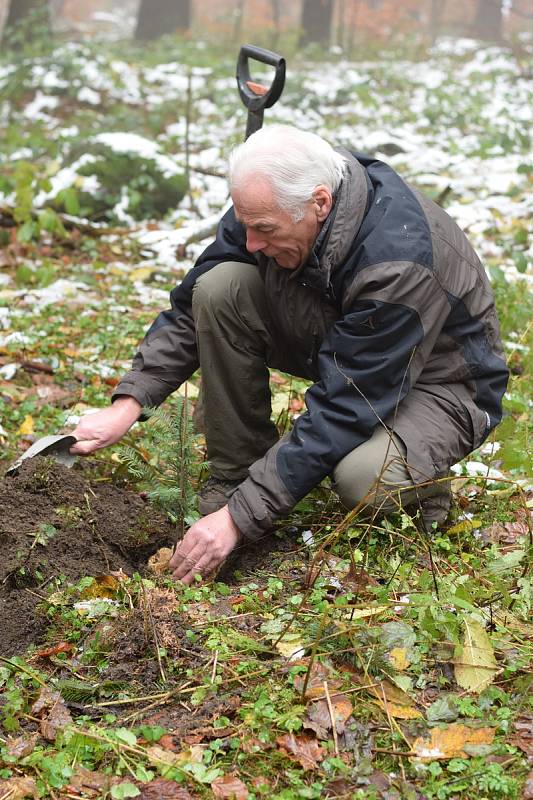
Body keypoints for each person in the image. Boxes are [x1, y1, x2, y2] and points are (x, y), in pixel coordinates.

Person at [71, 125, 509, 584]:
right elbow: (188, 308)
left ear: (320, 203)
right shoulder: (272, 201)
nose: (252, 242)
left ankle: (423, 491)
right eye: (246, 226)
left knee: (364, 479)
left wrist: (238, 520)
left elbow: (344, 406)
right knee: (220, 288)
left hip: (441, 384)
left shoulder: (397, 261)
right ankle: (234, 477)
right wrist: (130, 403)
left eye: (264, 230)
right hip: (348, 340)